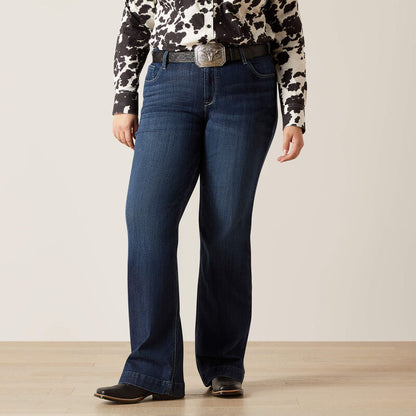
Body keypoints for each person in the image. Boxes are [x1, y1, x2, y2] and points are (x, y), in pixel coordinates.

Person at [94, 0, 307, 404]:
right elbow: (135, 22)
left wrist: (294, 112)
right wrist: (124, 98)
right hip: (169, 81)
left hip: (246, 83)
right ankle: (151, 371)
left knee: (225, 228)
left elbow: (288, 32)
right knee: (146, 219)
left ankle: (224, 366)